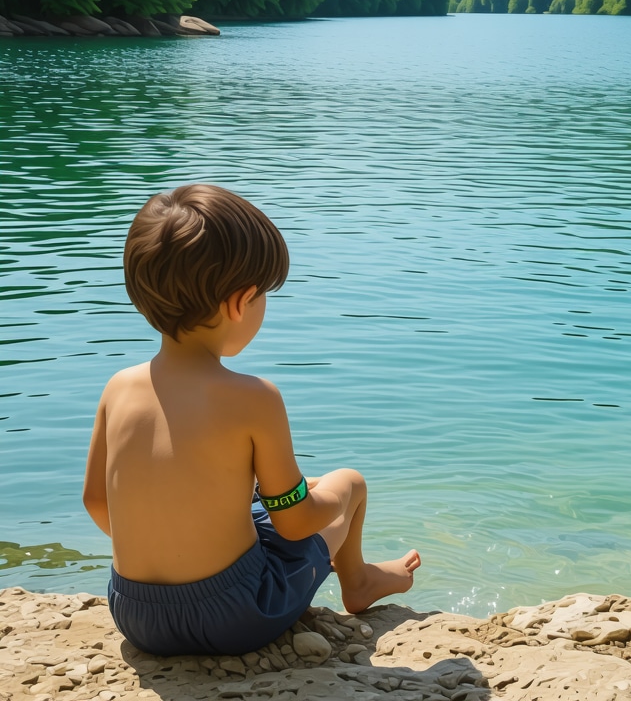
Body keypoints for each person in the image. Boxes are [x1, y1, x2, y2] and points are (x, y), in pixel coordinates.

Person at [83, 184, 420, 656]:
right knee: (346, 484)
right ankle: (359, 581)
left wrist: (176, 545)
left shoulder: (118, 387)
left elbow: (97, 500)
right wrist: (333, 497)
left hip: (136, 615)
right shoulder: (254, 397)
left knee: (269, 502)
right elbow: (296, 523)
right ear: (240, 303)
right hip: (235, 615)